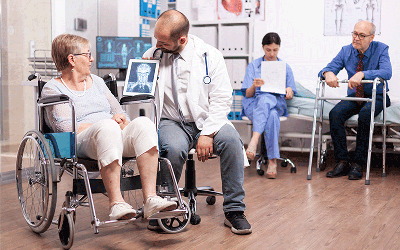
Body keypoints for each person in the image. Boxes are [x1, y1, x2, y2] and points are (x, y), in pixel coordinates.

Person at [42, 34, 177, 221]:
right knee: (107, 127)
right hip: (81, 141)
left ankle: (151, 199)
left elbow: (118, 111)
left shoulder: (97, 82)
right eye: (87, 54)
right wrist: (106, 124)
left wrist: (124, 122)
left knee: (144, 124)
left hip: (111, 132)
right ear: (71, 59)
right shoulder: (53, 88)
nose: (92, 58)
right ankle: (116, 203)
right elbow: (65, 127)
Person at [143, 10, 252, 235]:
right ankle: (166, 208)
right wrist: (143, 72)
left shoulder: (209, 56)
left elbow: (222, 100)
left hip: (207, 120)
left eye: (162, 41)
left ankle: (234, 211)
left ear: (181, 40)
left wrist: (207, 133)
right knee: (171, 148)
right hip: (172, 121)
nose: (157, 44)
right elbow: (141, 92)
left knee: (232, 142)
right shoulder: (154, 53)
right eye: (156, 39)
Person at [318, 20, 392, 180]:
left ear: (371, 37)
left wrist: (363, 74)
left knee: (366, 114)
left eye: (361, 35)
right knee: (335, 114)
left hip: (376, 95)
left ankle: (358, 164)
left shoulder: (381, 49)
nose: (356, 38)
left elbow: (387, 72)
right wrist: (327, 73)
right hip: (356, 96)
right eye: (354, 33)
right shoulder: (346, 51)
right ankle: (342, 162)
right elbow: (328, 68)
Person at [241, 32, 297, 179]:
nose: (272, 53)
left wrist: (289, 90)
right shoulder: (254, 65)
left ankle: (254, 140)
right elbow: (247, 94)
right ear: (263, 48)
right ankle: (272, 162)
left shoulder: (285, 67)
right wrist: (254, 86)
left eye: (275, 50)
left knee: (267, 99)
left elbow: (290, 93)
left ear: (279, 48)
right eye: (268, 50)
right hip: (254, 103)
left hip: (276, 102)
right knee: (270, 113)